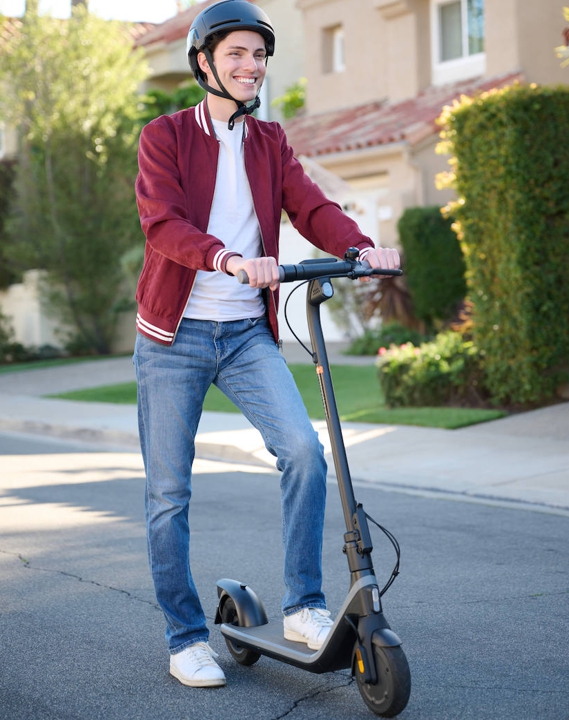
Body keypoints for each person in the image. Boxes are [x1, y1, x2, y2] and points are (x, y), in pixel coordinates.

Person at [133, 0, 400, 689]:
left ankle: (304, 605)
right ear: (204, 64)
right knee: (168, 493)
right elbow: (162, 224)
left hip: (246, 334)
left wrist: (361, 248)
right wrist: (225, 259)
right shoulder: (164, 137)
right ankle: (185, 636)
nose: (251, 67)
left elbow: (310, 206)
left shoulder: (269, 142)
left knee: (305, 454)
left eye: (258, 56)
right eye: (237, 55)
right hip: (175, 338)